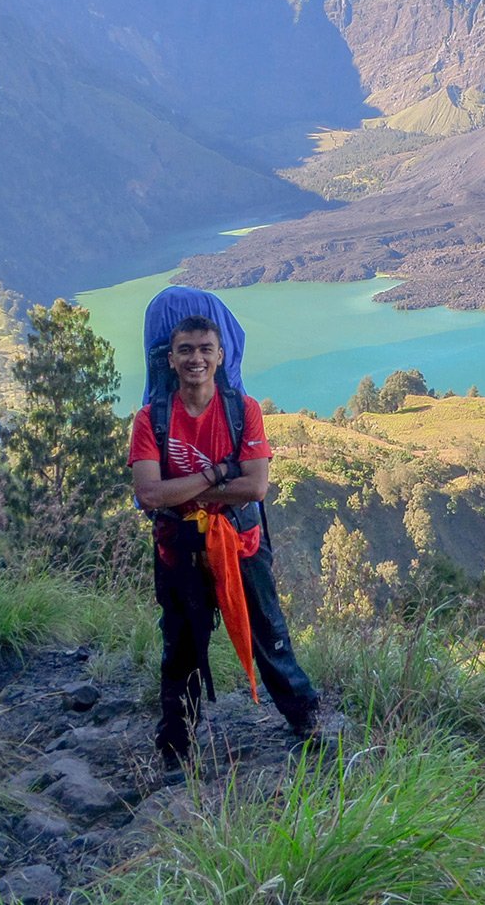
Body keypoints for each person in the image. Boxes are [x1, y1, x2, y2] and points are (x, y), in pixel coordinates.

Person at [129, 313, 319, 766]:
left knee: (269, 635)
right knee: (181, 648)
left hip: (241, 544)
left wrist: (186, 488)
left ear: (220, 356)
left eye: (204, 349)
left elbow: (255, 487)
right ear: (170, 359)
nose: (196, 358)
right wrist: (216, 473)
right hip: (179, 550)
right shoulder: (150, 420)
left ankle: (307, 720)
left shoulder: (242, 410)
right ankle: (175, 747)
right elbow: (150, 493)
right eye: (186, 350)